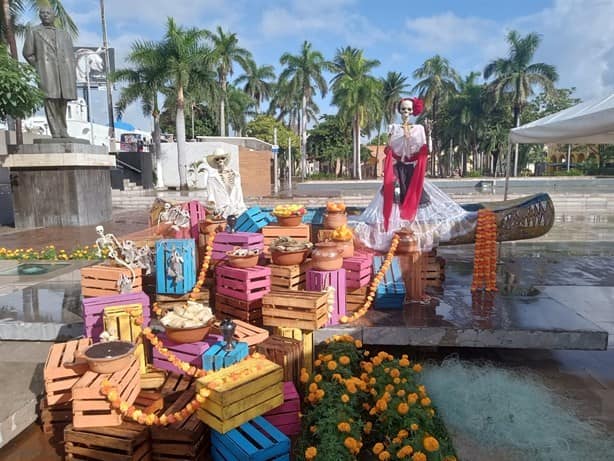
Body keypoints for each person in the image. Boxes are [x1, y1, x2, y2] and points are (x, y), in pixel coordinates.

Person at [353, 97, 476, 252]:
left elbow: (424, 150)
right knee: (393, 200)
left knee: (416, 200)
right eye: (404, 109)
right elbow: (389, 149)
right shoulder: (393, 128)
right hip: (397, 170)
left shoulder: (418, 129)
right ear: (399, 110)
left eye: (409, 110)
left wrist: (429, 134)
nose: (406, 113)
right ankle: (393, 233)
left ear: (413, 112)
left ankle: (411, 233)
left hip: (412, 171)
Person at [23, 6, 77, 139]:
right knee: (50, 100)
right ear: (40, 16)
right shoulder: (34, 31)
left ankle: (64, 130)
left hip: (64, 73)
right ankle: (55, 132)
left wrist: (71, 73)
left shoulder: (64, 34)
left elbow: (70, 56)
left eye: (48, 13)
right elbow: (27, 53)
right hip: (47, 71)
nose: (45, 15)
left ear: (54, 16)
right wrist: (39, 66)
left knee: (63, 101)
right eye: (42, 13)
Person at [203, 148, 247, 218]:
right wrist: (213, 208)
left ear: (225, 159)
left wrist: (241, 205)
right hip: (222, 210)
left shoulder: (235, 175)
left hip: (237, 208)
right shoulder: (211, 178)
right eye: (217, 159)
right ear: (215, 161)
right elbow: (210, 195)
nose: (220, 160)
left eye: (222, 158)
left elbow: (239, 192)